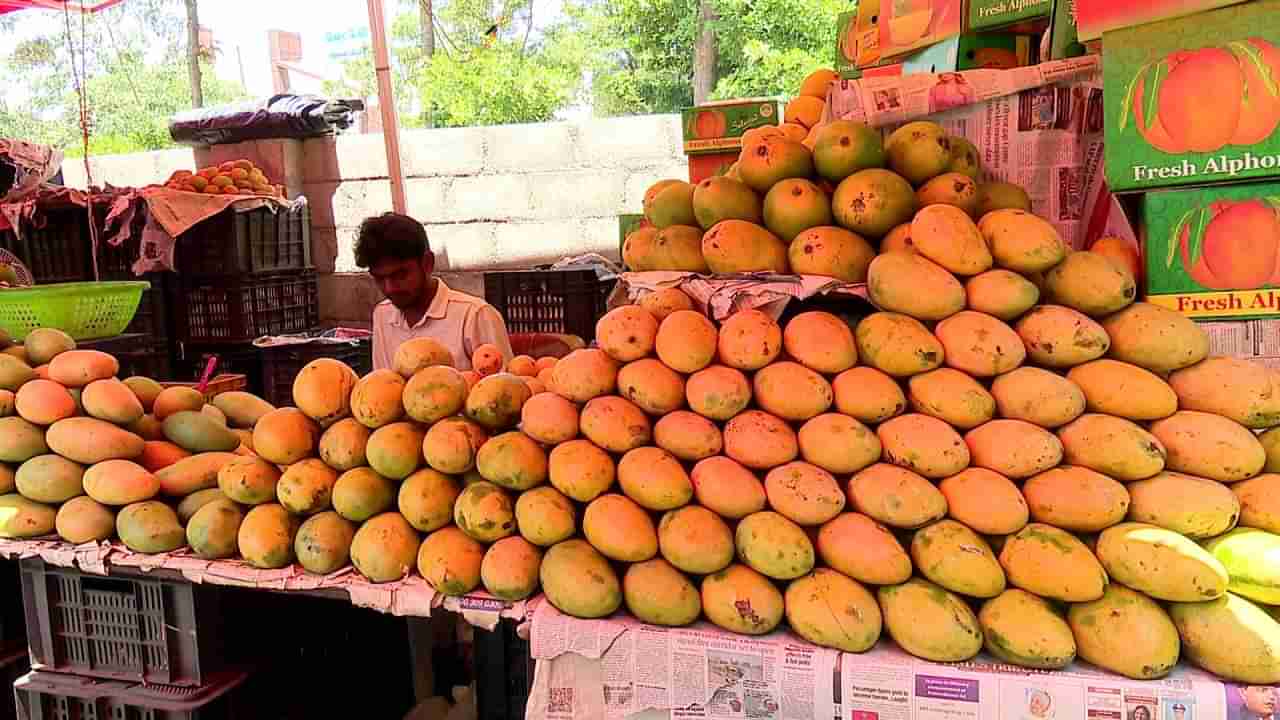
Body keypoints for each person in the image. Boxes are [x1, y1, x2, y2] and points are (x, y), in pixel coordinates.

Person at [355, 212, 513, 372]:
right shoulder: (382, 315)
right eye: (380, 278)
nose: (389, 288)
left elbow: (504, 388)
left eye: (400, 275)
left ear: (427, 263)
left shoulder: (474, 315)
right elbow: (383, 385)